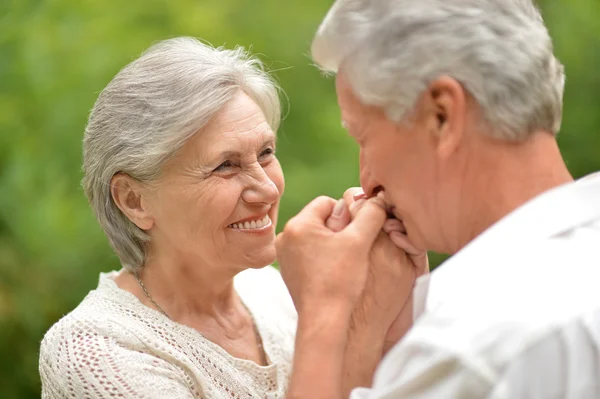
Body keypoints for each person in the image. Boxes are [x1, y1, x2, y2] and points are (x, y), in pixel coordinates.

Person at [276, 0, 600, 398]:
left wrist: (324, 310)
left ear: (441, 115)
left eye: (364, 136)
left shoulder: (476, 347)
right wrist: (382, 329)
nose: (368, 182)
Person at [39, 37, 296, 398]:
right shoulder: (96, 353)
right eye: (226, 165)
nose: (268, 190)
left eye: (266, 153)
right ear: (134, 201)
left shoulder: (271, 291)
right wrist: (332, 313)